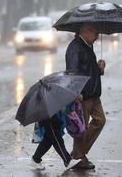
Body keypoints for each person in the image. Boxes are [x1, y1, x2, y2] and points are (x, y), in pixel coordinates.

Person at [65, 23, 106, 170]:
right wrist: (76, 92)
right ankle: (80, 157)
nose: (97, 37)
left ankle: (78, 152)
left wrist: (99, 68)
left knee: (100, 121)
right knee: (81, 128)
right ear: (87, 32)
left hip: (94, 94)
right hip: (83, 95)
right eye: (95, 33)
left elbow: (88, 69)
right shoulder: (75, 47)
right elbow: (72, 72)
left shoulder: (88, 45)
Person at [29, 100, 81, 170]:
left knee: (48, 140)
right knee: (56, 138)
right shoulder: (43, 91)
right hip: (47, 115)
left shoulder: (48, 90)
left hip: (51, 113)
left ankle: (35, 159)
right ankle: (67, 160)